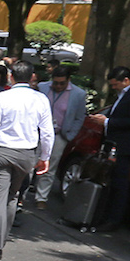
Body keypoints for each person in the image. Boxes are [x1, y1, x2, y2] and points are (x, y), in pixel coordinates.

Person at [0, 62, 54, 261]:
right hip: (26, 154)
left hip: (2, 151)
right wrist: (45, 157)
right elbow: (47, 132)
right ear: (32, 76)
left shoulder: (2, 97)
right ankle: (2, 238)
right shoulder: (41, 99)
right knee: (12, 195)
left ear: (11, 76)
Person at [85, 66, 130, 235]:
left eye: (115, 84)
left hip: (125, 146)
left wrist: (108, 122)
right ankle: (103, 215)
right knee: (109, 180)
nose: (114, 88)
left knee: (119, 184)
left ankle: (113, 219)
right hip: (114, 143)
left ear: (126, 81)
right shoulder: (125, 94)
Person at [34, 65, 87, 204]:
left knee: (50, 166)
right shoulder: (43, 88)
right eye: (55, 83)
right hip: (38, 132)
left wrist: (69, 136)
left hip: (59, 135)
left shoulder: (78, 94)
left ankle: (41, 197)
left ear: (68, 80)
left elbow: (79, 117)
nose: (58, 86)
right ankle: (21, 193)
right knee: (30, 162)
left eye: (62, 83)